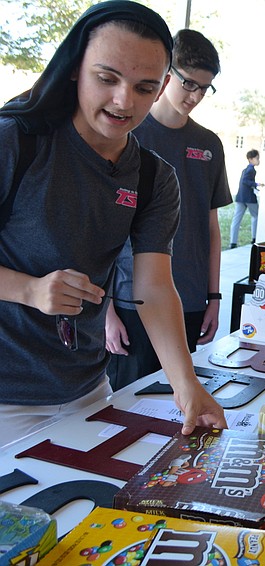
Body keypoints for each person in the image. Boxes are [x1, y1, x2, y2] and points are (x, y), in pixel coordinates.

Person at [0, 0, 226, 447]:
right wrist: (28, 289)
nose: (125, 101)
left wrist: (185, 384)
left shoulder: (153, 177)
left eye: (144, 87)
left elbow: (154, 288)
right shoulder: (15, 142)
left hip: (87, 388)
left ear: (161, 87)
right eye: (107, 79)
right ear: (74, 69)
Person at [105, 28, 231, 391]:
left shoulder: (209, 145)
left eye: (205, 88)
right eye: (188, 84)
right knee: (128, 407)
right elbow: (101, 228)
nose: (195, 96)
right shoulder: (128, 133)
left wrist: (213, 297)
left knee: (177, 405)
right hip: (131, 299)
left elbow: (211, 227)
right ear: (166, 73)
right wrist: (106, 311)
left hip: (188, 298)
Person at [230, 149, 264, 248]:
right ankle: (254, 237)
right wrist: (256, 184)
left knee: (237, 219)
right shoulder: (251, 169)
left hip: (240, 197)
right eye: (257, 158)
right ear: (250, 159)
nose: (258, 160)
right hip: (249, 198)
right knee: (255, 216)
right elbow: (246, 181)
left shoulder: (245, 169)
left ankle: (233, 241)